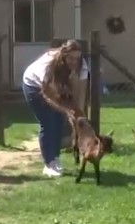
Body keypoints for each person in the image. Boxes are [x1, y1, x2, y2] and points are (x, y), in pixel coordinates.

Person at [22, 40, 89, 177]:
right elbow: (48, 96)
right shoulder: (49, 66)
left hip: (57, 86)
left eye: (77, 58)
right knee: (48, 121)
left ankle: (55, 159)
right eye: (71, 58)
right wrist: (65, 110)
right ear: (64, 56)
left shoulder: (82, 66)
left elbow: (80, 93)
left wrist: (79, 117)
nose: (74, 62)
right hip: (33, 86)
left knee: (59, 121)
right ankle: (48, 164)